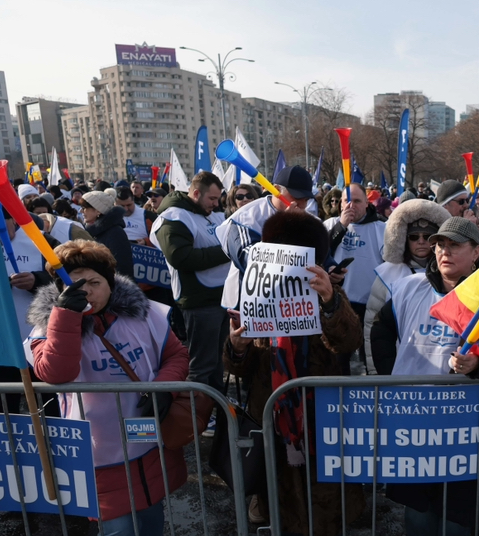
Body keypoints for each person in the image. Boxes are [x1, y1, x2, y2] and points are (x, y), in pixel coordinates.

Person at [26, 240, 190, 536]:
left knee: (151, 519)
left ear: (110, 282)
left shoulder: (146, 314)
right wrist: (65, 314)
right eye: (76, 284)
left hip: (147, 439)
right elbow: (55, 372)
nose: (87, 290)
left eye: (94, 282)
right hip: (98, 450)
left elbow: (176, 356)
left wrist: (160, 389)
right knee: (116, 534)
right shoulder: (46, 326)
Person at [371, 218, 479, 536]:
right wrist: (396, 374)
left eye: (454, 245)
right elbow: (381, 329)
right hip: (412, 417)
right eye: (439, 245)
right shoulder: (409, 287)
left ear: (475, 253)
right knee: (417, 505)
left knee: (457, 508)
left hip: (463, 420)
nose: (443, 251)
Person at [224, 210, 364, 536]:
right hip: (272, 414)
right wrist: (236, 346)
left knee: (327, 487)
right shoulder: (257, 295)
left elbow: (349, 340)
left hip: (322, 415)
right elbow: (239, 367)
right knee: (279, 487)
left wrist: (331, 301)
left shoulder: (328, 292)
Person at [152, 171, 230, 391]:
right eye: (212, 199)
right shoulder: (174, 217)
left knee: (217, 364)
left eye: (218, 199)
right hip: (199, 301)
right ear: (196, 193)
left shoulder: (209, 214)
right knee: (202, 367)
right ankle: (195, 418)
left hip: (220, 298)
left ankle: (218, 414)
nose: (216, 204)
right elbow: (181, 257)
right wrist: (227, 251)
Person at [363, 198, 448, 374]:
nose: (421, 241)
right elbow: (372, 326)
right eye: (414, 237)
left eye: (428, 237)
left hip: (441, 364)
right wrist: (375, 372)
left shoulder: (450, 274)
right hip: (398, 363)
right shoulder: (387, 275)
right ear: (404, 239)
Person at [215, 165, 318, 312]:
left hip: (291, 305)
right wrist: (284, 226)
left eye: (306, 199)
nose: (302, 204)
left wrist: (330, 267)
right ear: (276, 190)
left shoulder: (306, 217)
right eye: (296, 196)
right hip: (250, 305)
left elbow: (318, 250)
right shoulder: (246, 217)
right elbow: (250, 261)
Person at [324, 184, 387, 371]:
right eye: (346, 201)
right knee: (338, 359)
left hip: (370, 305)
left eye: (357, 201)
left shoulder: (381, 228)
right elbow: (320, 251)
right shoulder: (329, 225)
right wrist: (341, 227)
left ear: (367, 203)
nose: (351, 206)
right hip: (337, 303)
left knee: (371, 359)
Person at [82, 190, 134, 279]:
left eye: (85, 208)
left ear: (97, 211)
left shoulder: (116, 233)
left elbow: (123, 268)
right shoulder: (89, 229)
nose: (81, 211)